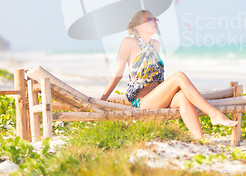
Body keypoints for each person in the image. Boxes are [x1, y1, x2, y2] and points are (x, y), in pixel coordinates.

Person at [100, 10, 237, 140]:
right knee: (179, 76)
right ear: (138, 27)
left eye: (154, 19)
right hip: (143, 103)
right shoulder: (129, 42)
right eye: (148, 19)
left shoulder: (156, 45)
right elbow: (117, 76)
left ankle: (200, 140)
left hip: (161, 99)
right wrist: (102, 101)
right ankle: (214, 114)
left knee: (183, 96)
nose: (154, 22)